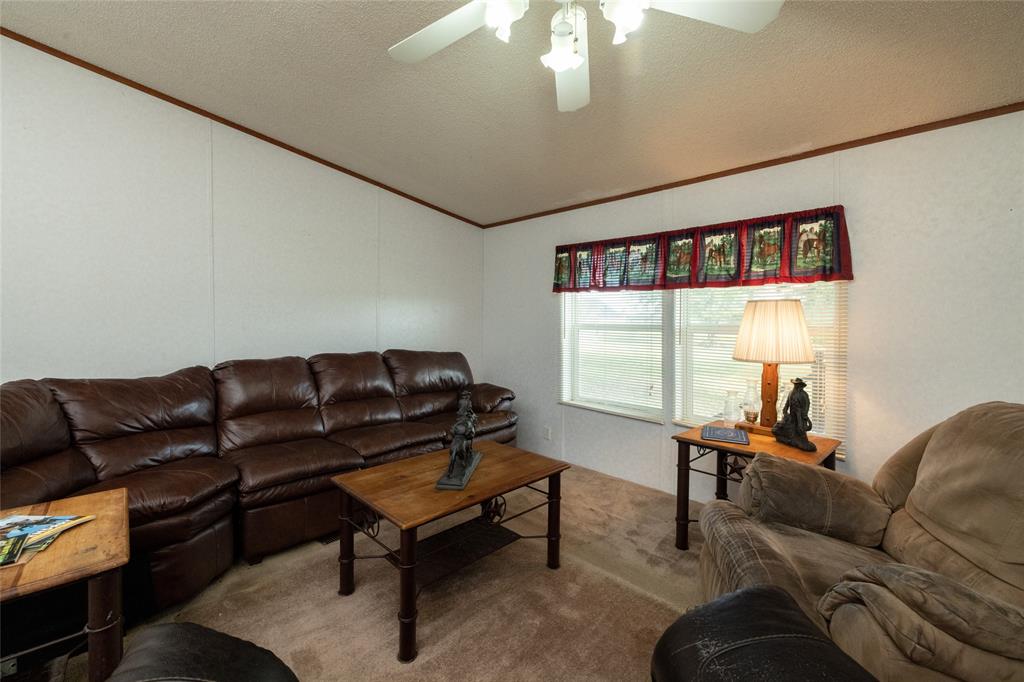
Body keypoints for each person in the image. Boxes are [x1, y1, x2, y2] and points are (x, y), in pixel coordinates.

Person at [772, 378, 817, 452]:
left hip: (800, 414)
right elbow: (787, 403)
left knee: (800, 428)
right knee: (790, 427)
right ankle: (791, 438)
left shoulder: (803, 394)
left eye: (798, 385)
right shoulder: (791, 393)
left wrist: (805, 415)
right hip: (792, 414)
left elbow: (807, 404)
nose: (796, 386)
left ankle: (802, 441)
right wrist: (785, 410)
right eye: (795, 384)